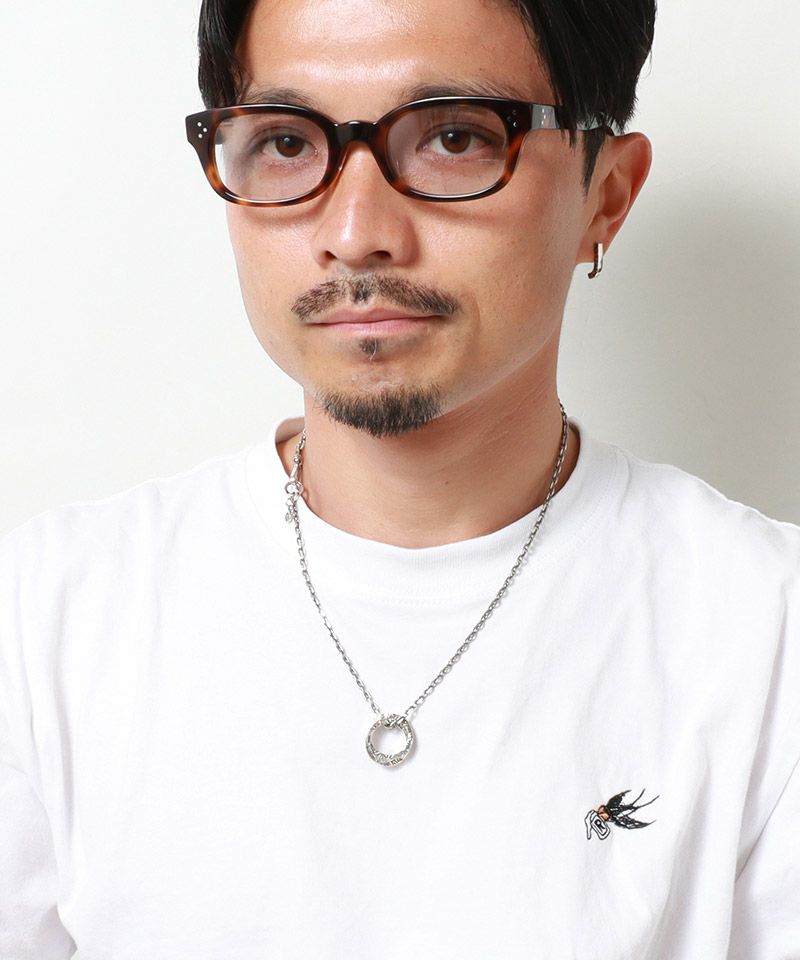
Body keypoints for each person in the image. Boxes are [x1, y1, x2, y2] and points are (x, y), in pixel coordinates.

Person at [1, 0, 797, 957]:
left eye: (455, 138)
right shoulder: (45, 616)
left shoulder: (766, 631)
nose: (355, 232)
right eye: (287, 143)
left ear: (607, 195)